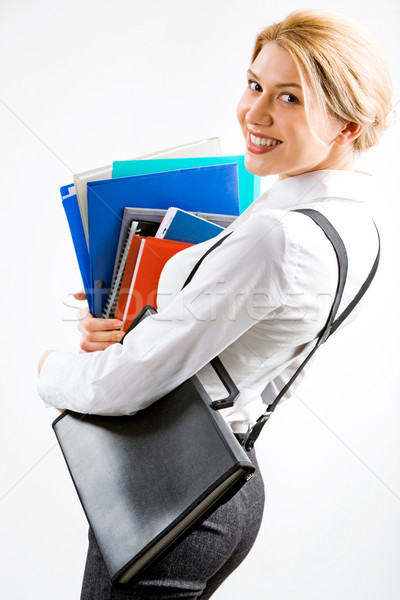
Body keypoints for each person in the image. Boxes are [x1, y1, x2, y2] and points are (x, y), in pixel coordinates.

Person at [38, 9, 392, 600]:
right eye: (255, 85)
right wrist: (142, 328)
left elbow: (127, 387)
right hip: (227, 486)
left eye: (290, 99)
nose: (255, 114)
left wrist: (50, 371)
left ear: (348, 124)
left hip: (173, 492)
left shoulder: (278, 233)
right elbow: (250, 343)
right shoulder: (355, 224)